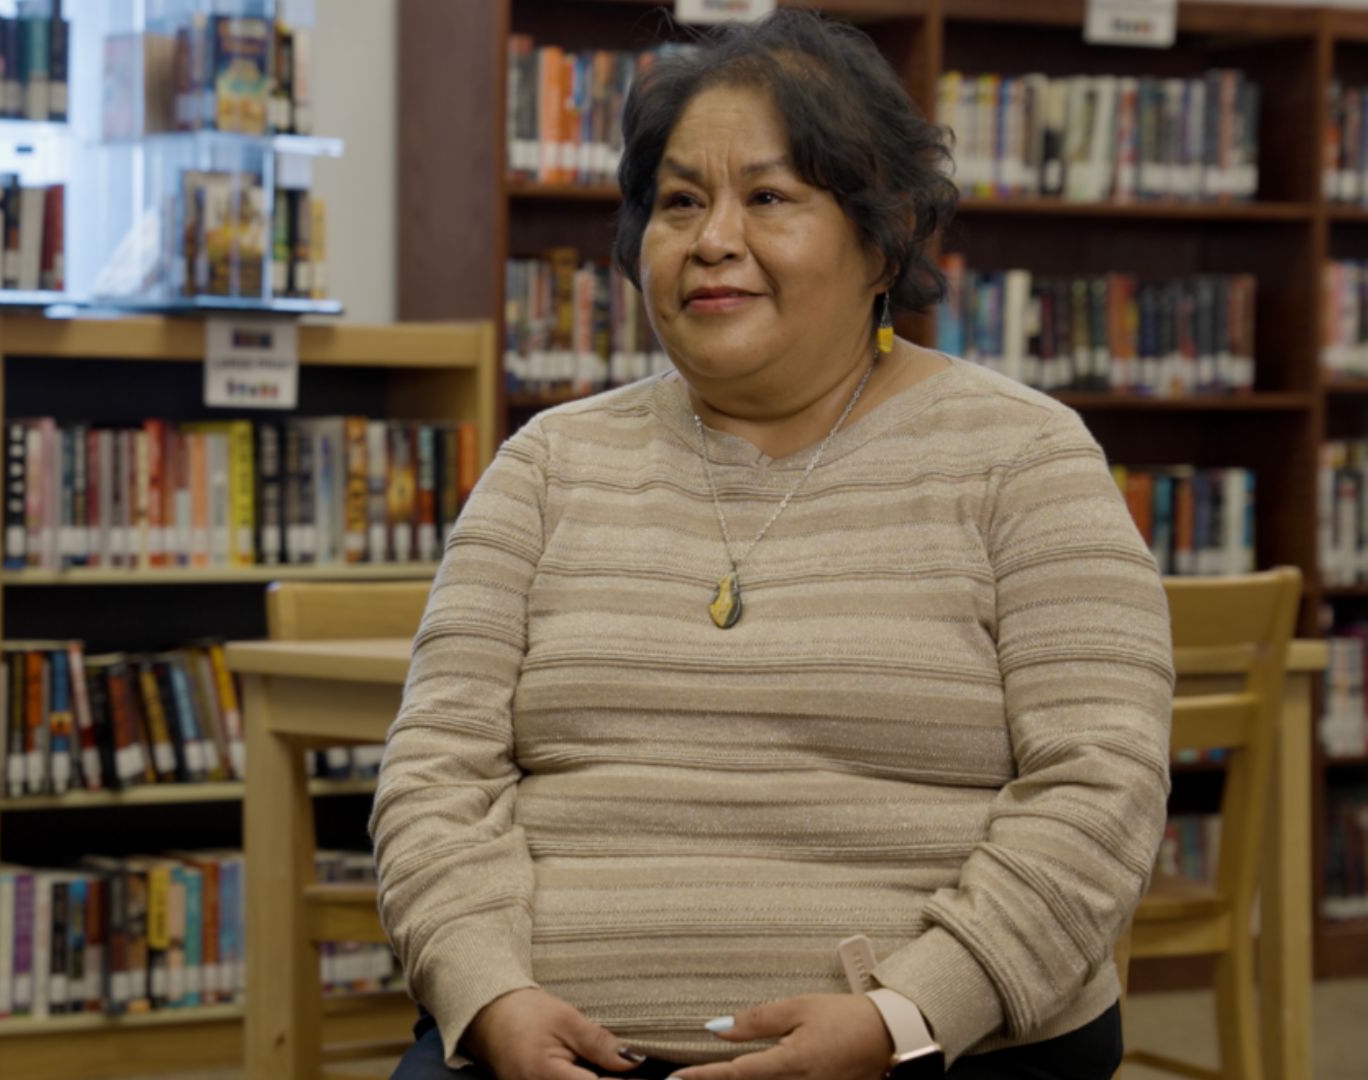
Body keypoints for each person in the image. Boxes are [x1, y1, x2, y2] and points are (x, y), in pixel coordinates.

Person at [369, 11, 1172, 1080]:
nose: (712, 239)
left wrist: (904, 1014)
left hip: (933, 1047)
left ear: (882, 238)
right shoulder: (546, 466)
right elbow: (433, 777)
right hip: (548, 1052)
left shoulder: (1024, 458)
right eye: (681, 203)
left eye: (771, 197)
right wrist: (486, 993)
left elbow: (1100, 791)